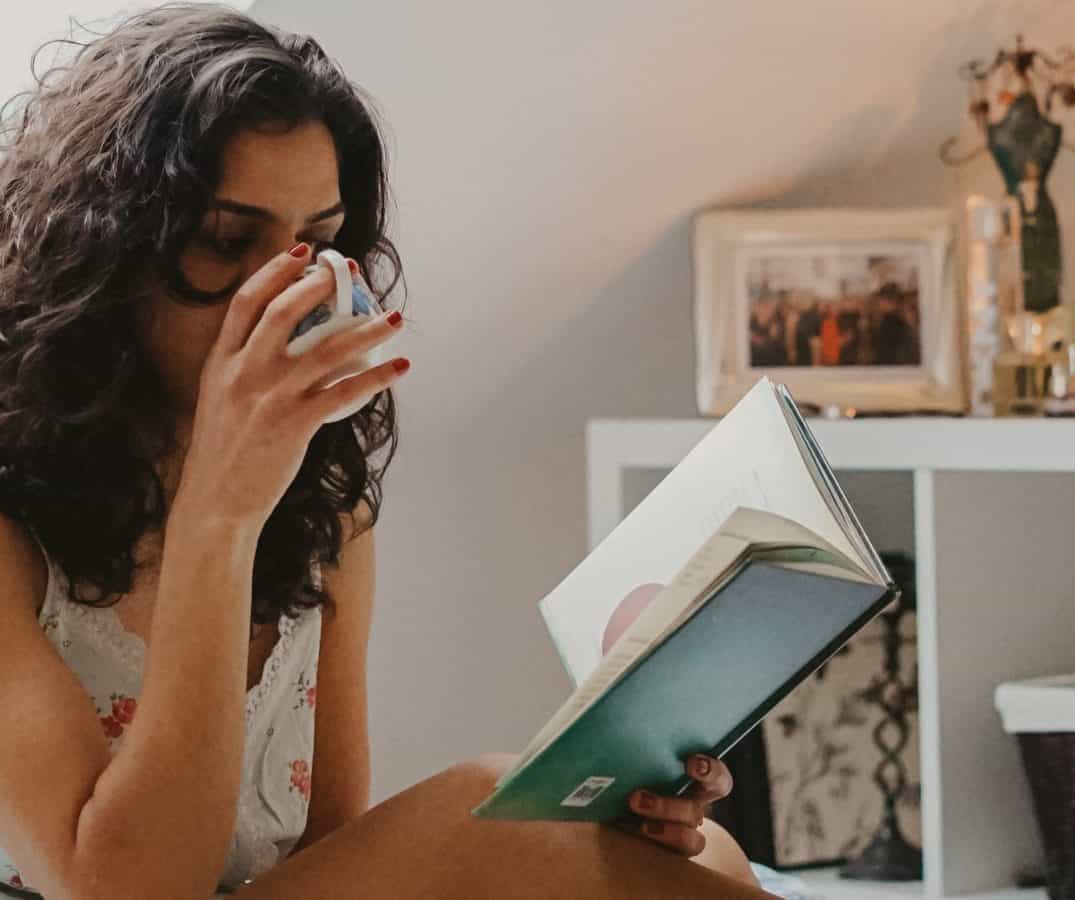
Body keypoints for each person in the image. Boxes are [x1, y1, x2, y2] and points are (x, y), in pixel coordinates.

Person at [0, 4, 772, 898]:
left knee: (692, 852)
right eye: (227, 239)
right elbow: (118, 891)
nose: (289, 288)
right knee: (488, 813)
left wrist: (620, 809)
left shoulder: (327, 514)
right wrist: (219, 514)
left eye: (318, 244)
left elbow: (334, 858)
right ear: (102, 251)